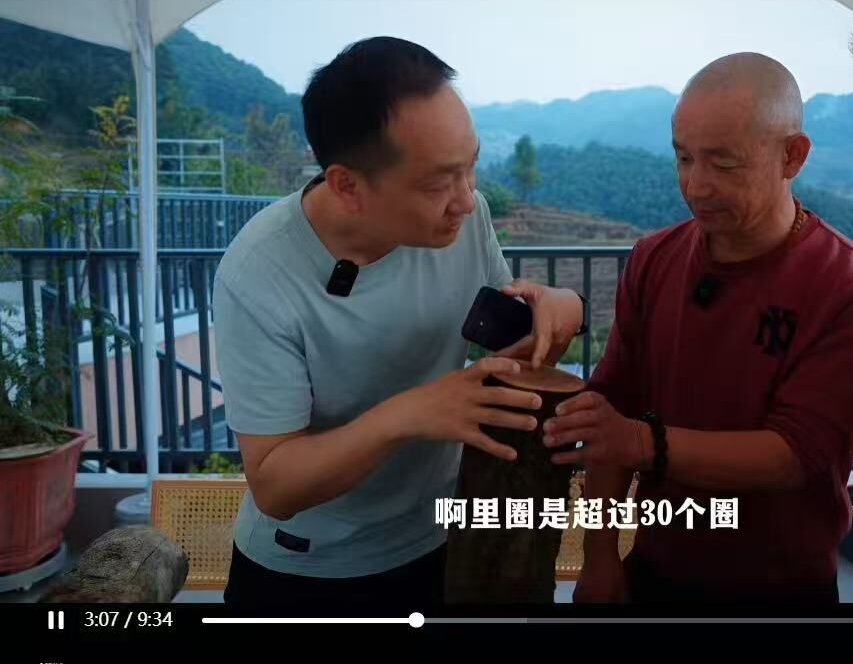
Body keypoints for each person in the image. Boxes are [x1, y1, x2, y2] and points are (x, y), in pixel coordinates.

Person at [212, 37, 588, 610]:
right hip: (309, 572)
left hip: (441, 539)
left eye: (471, 168)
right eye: (438, 183)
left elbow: (507, 346)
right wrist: (407, 414)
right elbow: (276, 484)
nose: (466, 200)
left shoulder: (465, 220)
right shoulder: (260, 272)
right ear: (347, 185)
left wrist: (561, 308)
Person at [547, 53, 853, 604]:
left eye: (723, 163)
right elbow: (609, 415)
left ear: (792, 156)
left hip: (782, 588)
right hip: (653, 565)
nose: (696, 185)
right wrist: (599, 557)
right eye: (684, 158)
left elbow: (795, 453)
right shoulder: (652, 259)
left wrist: (639, 441)